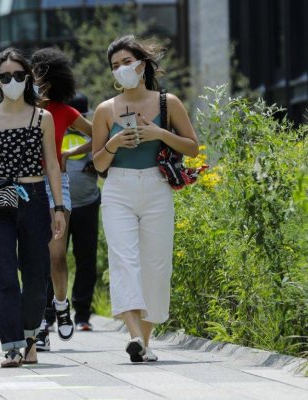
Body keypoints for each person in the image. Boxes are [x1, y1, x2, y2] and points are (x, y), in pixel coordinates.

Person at [92, 35, 199, 362]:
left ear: (142, 64)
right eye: (115, 65)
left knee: (156, 265)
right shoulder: (105, 110)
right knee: (124, 261)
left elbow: (192, 147)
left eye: (127, 62)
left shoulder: (169, 103)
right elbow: (98, 164)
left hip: (156, 186)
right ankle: (135, 336)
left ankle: (144, 343)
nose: (122, 69)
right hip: (118, 189)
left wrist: (159, 133)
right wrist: (114, 144)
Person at [0, 47, 65, 367]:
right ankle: (11, 345)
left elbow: (51, 164)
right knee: (2, 272)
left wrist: (58, 207)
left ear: (28, 78)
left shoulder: (42, 117)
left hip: (34, 196)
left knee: (37, 274)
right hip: (0, 196)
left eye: (19, 75)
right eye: (6, 76)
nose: (13, 81)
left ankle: (31, 335)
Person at [30, 48, 93, 351]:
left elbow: (100, 134)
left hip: (56, 185)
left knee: (56, 254)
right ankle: (42, 323)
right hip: (24, 187)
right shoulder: (19, 110)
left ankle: (61, 304)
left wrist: (71, 152)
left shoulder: (64, 111)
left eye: (41, 78)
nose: (34, 82)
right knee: (35, 257)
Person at [62, 93, 100, 332]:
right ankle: (51, 311)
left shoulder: (93, 133)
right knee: (54, 260)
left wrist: (95, 163)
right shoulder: (53, 131)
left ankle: (82, 315)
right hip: (58, 206)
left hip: (88, 204)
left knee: (86, 260)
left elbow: (107, 161)